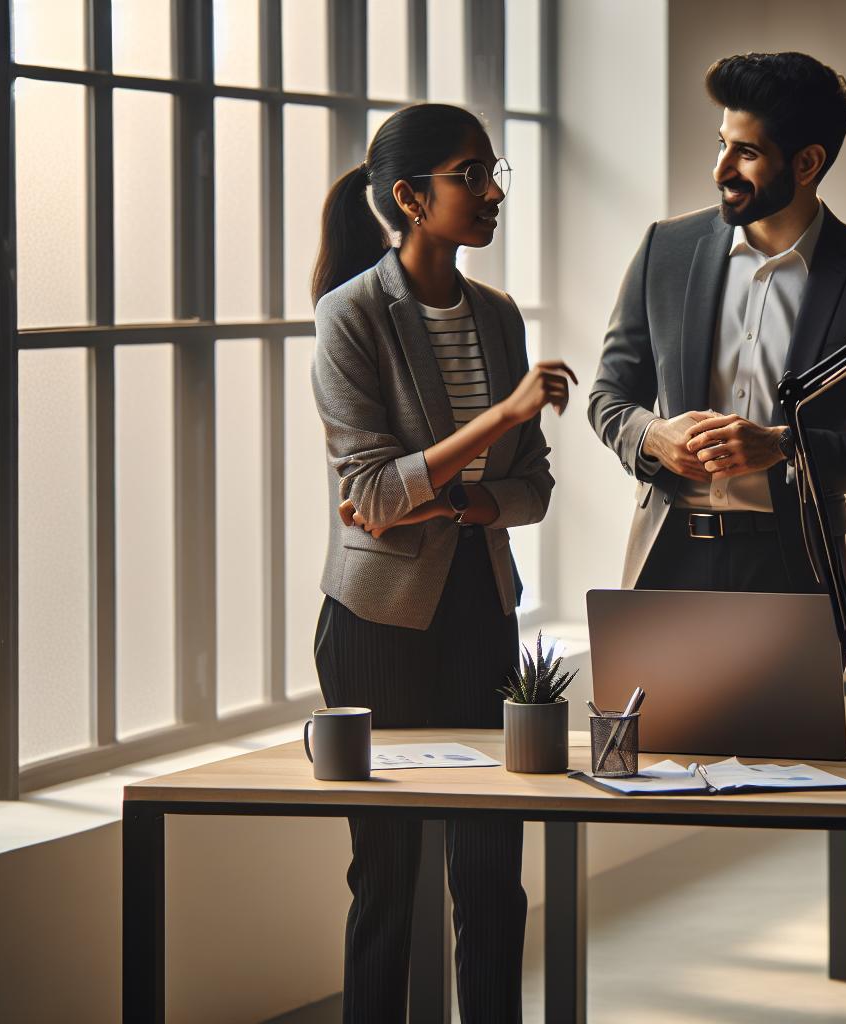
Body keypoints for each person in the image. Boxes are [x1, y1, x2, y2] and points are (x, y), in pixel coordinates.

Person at [586, 52, 846, 1023]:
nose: (723, 167)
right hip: (670, 563)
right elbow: (608, 394)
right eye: (722, 146)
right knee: (603, 790)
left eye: (746, 152)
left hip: (791, 571)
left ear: (808, 159)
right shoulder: (666, 249)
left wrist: (783, 445)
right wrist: (649, 436)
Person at [309, 102, 576, 1022]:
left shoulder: (500, 317)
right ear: (410, 198)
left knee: (494, 875)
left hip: (482, 610)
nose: (494, 192)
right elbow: (374, 495)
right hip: (377, 624)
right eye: (472, 175)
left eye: (493, 171)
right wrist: (501, 418)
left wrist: (452, 498)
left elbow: (534, 491)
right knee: (386, 880)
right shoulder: (350, 316)